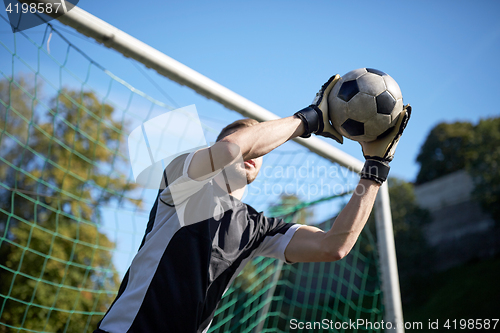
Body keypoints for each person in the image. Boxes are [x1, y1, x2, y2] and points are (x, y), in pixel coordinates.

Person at [94, 75, 411, 333]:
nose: (256, 153)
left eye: (262, 151)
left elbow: (334, 246)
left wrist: (376, 167)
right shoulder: (182, 180)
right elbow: (232, 149)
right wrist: (308, 119)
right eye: (253, 143)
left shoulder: (258, 228)